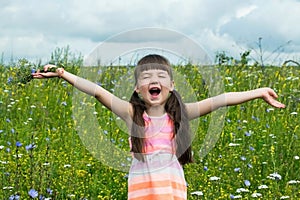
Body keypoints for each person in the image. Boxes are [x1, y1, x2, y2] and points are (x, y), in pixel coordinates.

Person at [32, 54, 285, 200]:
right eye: (146, 77)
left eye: (161, 76)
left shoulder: (181, 114)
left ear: (172, 85)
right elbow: (97, 91)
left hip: (173, 193)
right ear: (137, 89)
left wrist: (259, 92)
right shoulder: (131, 114)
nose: (154, 80)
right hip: (142, 194)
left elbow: (223, 99)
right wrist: (64, 75)